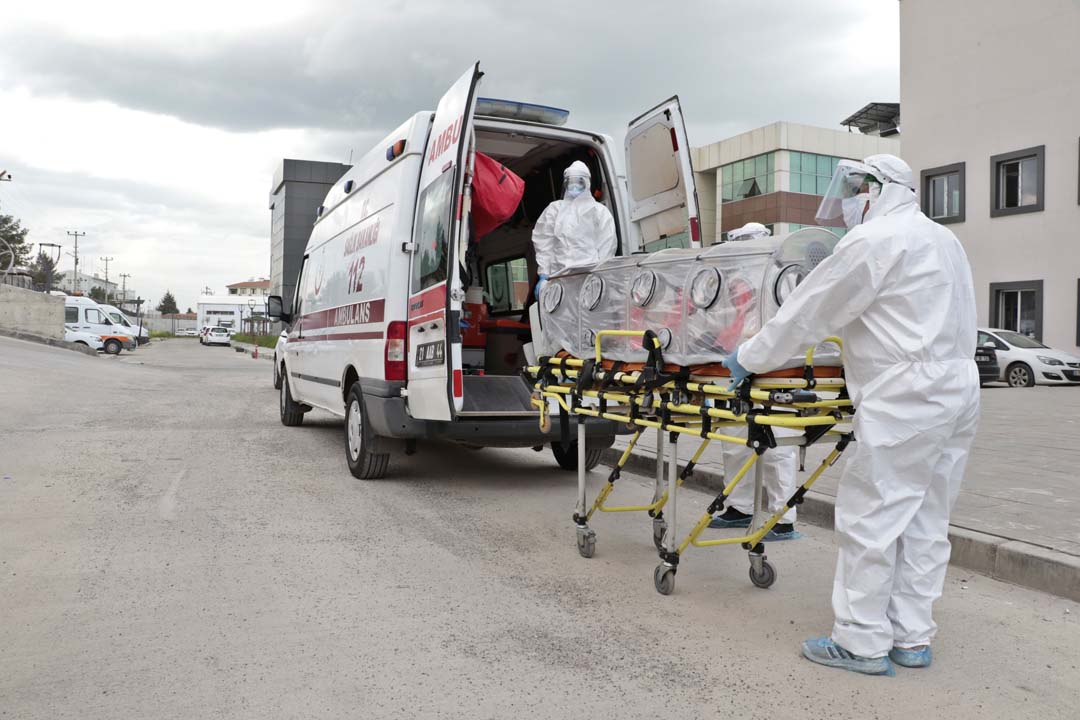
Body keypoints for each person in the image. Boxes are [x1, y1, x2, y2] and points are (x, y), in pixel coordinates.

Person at [722, 154, 980, 677]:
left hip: (906, 394)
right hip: (958, 389)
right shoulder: (942, 238)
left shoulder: (872, 241)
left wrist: (748, 359)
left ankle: (861, 642)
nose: (845, 205)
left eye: (852, 192)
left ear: (875, 191)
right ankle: (911, 636)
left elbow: (808, 312)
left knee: (873, 516)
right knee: (927, 519)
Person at [709, 221, 800, 541]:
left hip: (777, 370)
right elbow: (725, 323)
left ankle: (783, 516)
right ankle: (740, 506)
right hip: (739, 368)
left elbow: (786, 327)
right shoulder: (732, 282)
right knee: (733, 439)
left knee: (778, 444)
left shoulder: (784, 279)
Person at [532, 161, 617, 296]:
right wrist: (543, 275)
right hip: (558, 282)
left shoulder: (599, 212)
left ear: (587, 183)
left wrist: (601, 278)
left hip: (589, 282)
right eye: (570, 182)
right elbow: (544, 244)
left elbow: (607, 247)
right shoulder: (554, 210)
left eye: (579, 182)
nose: (574, 186)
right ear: (565, 183)